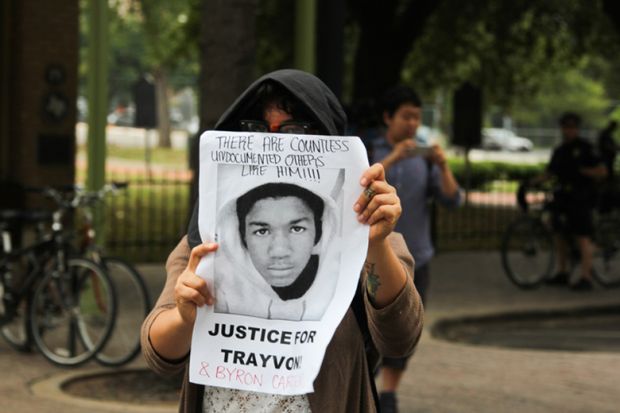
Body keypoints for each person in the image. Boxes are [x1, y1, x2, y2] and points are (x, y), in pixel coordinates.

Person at [141, 69, 424, 413]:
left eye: (295, 130)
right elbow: (159, 355)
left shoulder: (372, 244)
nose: (273, 143)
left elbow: (400, 338)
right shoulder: (201, 248)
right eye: (256, 129)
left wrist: (375, 244)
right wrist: (184, 319)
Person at [371, 85, 462, 413]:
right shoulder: (370, 150)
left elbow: (453, 199)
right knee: (370, 325)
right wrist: (394, 157)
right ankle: (369, 384)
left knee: (404, 324)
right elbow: (356, 187)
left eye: (417, 118)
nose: (412, 124)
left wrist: (442, 165)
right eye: (405, 117)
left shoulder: (424, 159)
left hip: (417, 256)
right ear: (388, 118)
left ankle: (390, 395)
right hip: (373, 257)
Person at [214, 182, 338, 320]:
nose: (279, 252)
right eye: (262, 231)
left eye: (296, 229)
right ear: (242, 237)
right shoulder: (216, 288)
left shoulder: (342, 280)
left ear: (318, 233)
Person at [536, 112, 607, 290]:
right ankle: (563, 272)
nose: (569, 131)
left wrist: (584, 172)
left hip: (582, 196)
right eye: (566, 127)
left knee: (582, 236)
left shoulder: (586, 148)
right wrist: (532, 182)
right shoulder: (560, 151)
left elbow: (602, 171)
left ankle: (586, 277)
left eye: (572, 127)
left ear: (577, 129)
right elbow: (549, 172)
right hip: (564, 197)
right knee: (559, 233)